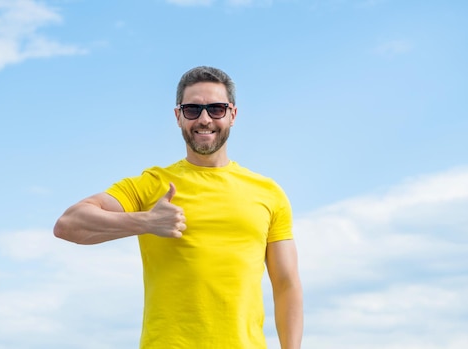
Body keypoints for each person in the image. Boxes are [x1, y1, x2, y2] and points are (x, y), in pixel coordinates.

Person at [53, 66, 303, 348]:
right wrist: (146, 222)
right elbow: (68, 225)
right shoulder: (152, 184)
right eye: (193, 109)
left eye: (216, 109)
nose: (205, 119)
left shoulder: (268, 192)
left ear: (233, 114)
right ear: (178, 116)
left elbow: (286, 284)